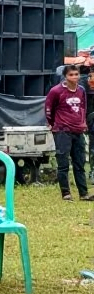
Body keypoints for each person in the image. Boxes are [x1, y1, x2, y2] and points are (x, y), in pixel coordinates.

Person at [45, 65, 92, 201]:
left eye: (76, 74)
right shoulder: (56, 91)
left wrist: (82, 122)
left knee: (80, 163)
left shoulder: (81, 90)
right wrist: (54, 124)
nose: (74, 77)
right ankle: (66, 193)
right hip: (62, 131)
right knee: (63, 163)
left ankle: (83, 194)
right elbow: (48, 109)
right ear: (65, 76)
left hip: (78, 130)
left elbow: (83, 107)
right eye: (71, 75)